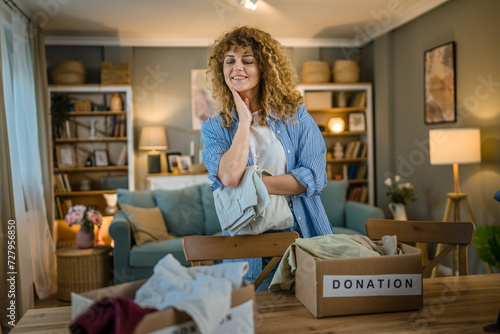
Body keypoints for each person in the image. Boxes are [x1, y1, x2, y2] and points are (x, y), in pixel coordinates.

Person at [200, 26, 333, 290]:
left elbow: (314, 178)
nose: (237, 67)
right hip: (246, 239)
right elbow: (228, 177)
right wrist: (244, 121)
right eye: (230, 61)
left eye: (247, 61)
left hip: (299, 230)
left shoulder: (296, 117)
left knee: (308, 315)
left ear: (264, 69)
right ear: (221, 70)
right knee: (255, 318)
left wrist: (254, 185)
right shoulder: (214, 128)